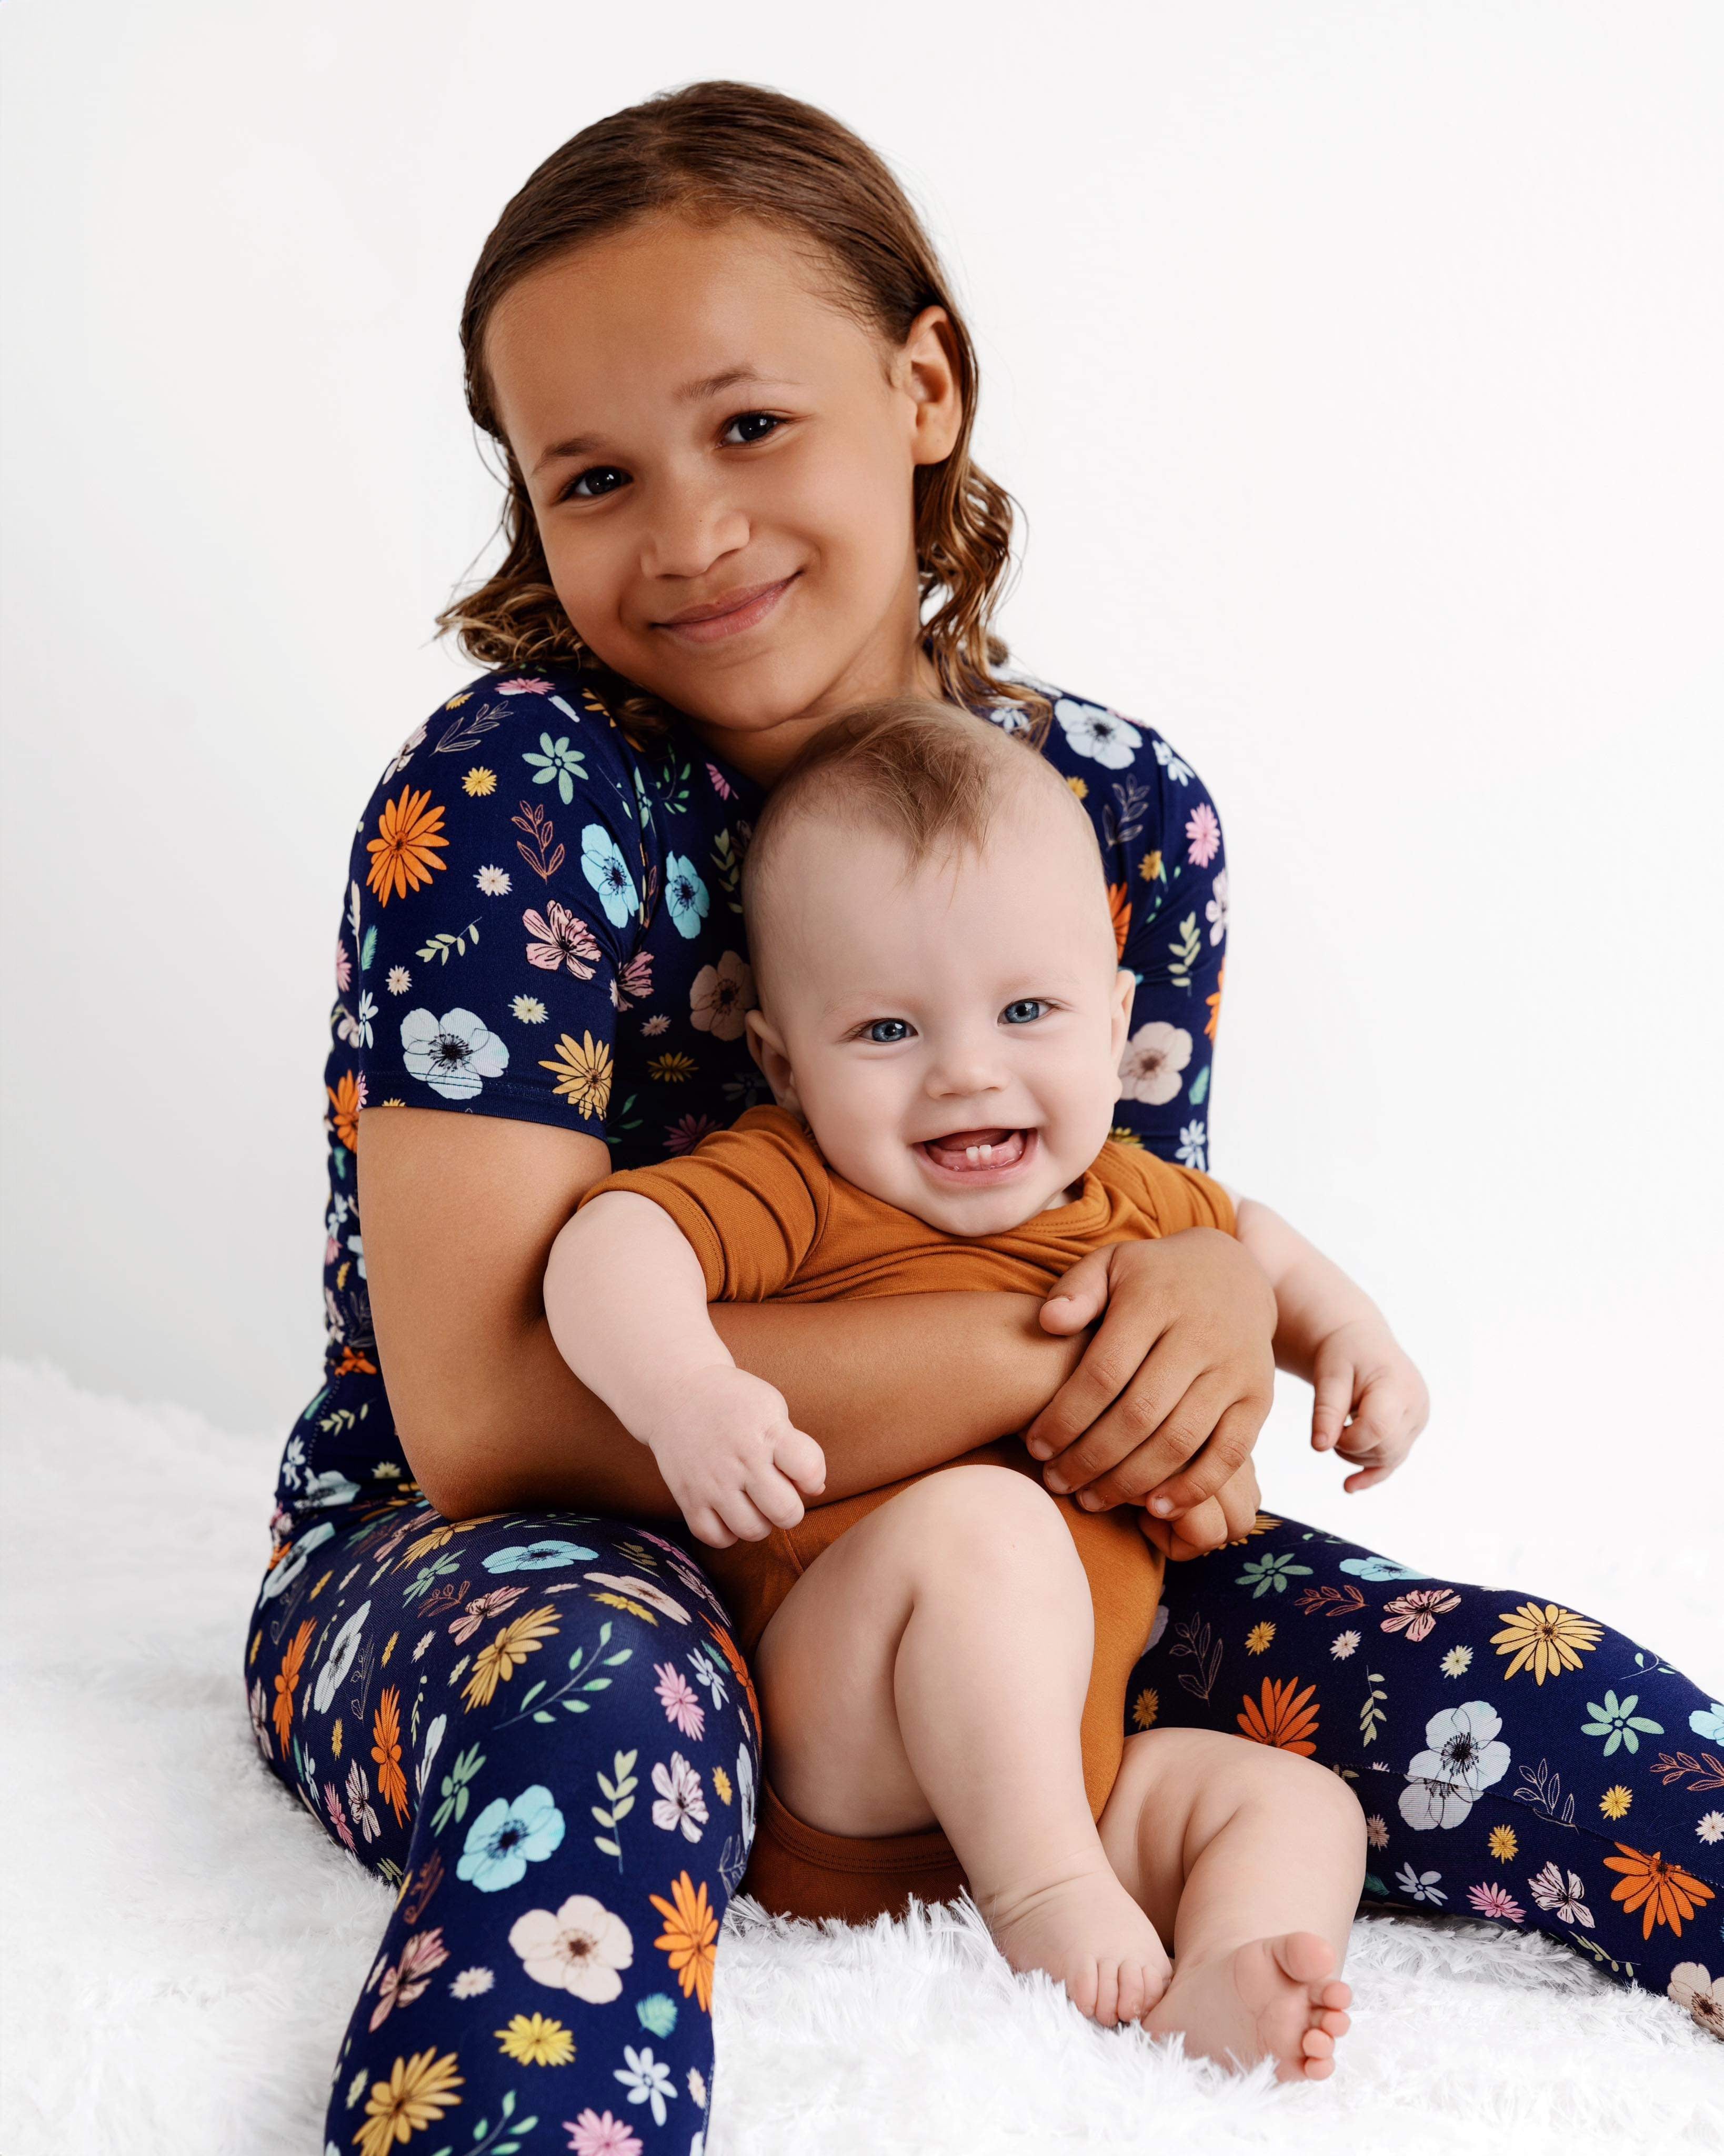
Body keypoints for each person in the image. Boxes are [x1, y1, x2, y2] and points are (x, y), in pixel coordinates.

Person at [245, 78, 1722, 2155]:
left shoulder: (1118, 811)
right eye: (592, 477)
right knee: (606, 1713)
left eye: (751, 424)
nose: (689, 529)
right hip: (529, 1545)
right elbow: (486, 1414)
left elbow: (1112, 1246)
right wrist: (1112, 1323)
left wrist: (1214, 1306)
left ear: (923, 382)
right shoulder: (509, 802)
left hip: (1011, 1564)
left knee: (1520, 1684)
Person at [548, 698, 1383, 2079]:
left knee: (1291, 1802)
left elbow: (1259, 1249)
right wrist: (684, 1391)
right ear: (781, 1060)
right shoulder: (798, 1181)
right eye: (884, 1029)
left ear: (1116, 1027)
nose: (966, 1070)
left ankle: (1224, 1975)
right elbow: (606, 1244)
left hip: (1066, 1775)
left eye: (1027, 1010)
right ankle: (1049, 1900)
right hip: (849, 1752)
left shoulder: (1130, 1199)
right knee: (984, 1521)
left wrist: (1349, 1344)